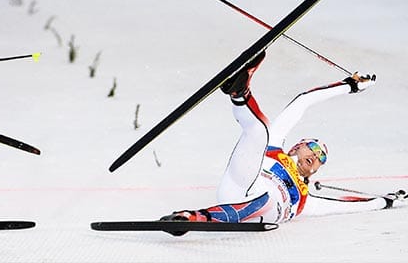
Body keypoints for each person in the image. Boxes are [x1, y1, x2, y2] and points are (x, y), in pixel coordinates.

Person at [160, 51, 405, 235]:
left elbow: (348, 206)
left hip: (259, 209)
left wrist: (386, 201)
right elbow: (302, 102)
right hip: (240, 183)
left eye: (321, 160)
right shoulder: (276, 149)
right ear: (297, 147)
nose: (317, 158)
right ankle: (239, 92)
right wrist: (348, 86)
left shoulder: (305, 200)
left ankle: (188, 218)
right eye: (315, 149)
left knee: (265, 200)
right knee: (261, 131)